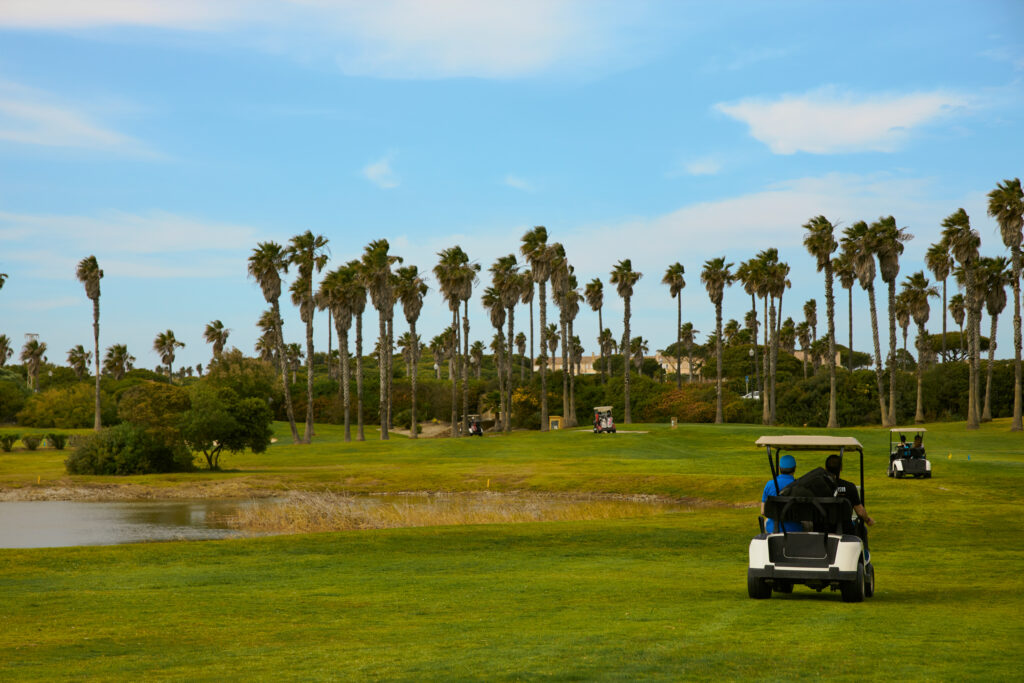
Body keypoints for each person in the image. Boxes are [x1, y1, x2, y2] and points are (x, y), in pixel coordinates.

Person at [825, 454, 875, 533]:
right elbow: (860, 511)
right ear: (841, 468)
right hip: (846, 530)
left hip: (823, 529)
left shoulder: (819, 487)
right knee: (863, 530)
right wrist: (868, 520)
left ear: (826, 469)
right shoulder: (849, 487)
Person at [760, 454, 802, 533]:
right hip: (795, 528)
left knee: (767, 521)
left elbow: (763, 511)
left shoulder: (769, 484)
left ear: (779, 468)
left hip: (773, 528)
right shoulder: (799, 486)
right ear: (795, 469)